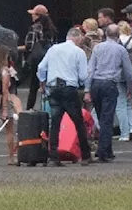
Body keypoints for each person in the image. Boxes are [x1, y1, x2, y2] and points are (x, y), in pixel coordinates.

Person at [37, 28, 93, 166]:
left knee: (55, 123)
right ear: (77, 38)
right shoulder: (78, 52)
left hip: (53, 87)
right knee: (78, 122)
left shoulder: (53, 49)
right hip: (69, 88)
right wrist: (84, 85)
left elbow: (41, 67)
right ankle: (85, 155)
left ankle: (53, 157)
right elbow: (83, 75)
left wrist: (43, 81)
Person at [87, 24, 132, 163]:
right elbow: (129, 73)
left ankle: (107, 149)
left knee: (101, 116)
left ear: (105, 34)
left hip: (96, 83)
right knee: (107, 118)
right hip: (110, 83)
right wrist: (130, 88)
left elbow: (90, 69)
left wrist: (87, 89)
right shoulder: (121, 50)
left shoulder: (97, 48)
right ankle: (103, 152)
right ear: (118, 35)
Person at [23, 5, 57, 110]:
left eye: (33, 14)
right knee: (48, 84)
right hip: (49, 59)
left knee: (34, 85)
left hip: (37, 60)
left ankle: (29, 107)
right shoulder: (53, 29)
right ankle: (48, 108)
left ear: (38, 16)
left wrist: (16, 48)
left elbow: (29, 45)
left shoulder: (35, 28)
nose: (32, 16)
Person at [114, 21, 132, 141]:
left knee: (120, 105)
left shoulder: (117, 41)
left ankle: (124, 133)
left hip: (119, 75)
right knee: (129, 104)